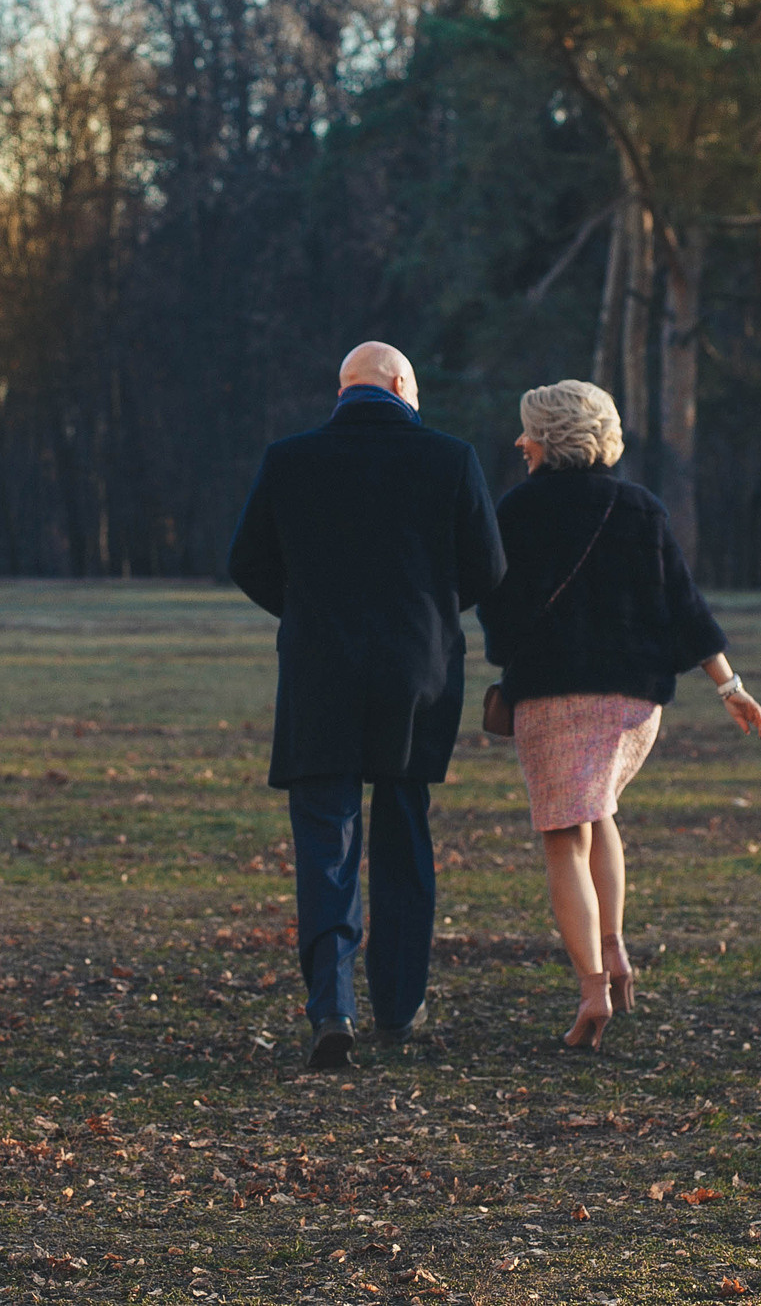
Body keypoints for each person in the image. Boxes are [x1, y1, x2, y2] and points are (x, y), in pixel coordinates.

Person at [229, 342, 506, 1069]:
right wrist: (431, 612)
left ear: (345, 389)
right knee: (404, 830)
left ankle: (332, 1003)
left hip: (320, 671)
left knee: (327, 840)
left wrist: (306, 609)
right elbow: (489, 566)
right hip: (417, 672)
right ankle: (398, 1002)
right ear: (401, 386)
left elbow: (246, 561)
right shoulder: (451, 459)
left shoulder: (289, 458)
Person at [478, 380, 761, 1050]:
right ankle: (613, 947)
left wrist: (513, 649)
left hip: (555, 698)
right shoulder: (642, 507)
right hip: (634, 705)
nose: (519, 442)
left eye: (528, 431)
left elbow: (497, 610)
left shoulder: (515, 511)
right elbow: (684, 605)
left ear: (549, 439)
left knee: (563, 838)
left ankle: (592, 990)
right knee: (599, 811)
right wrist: (730, 687)